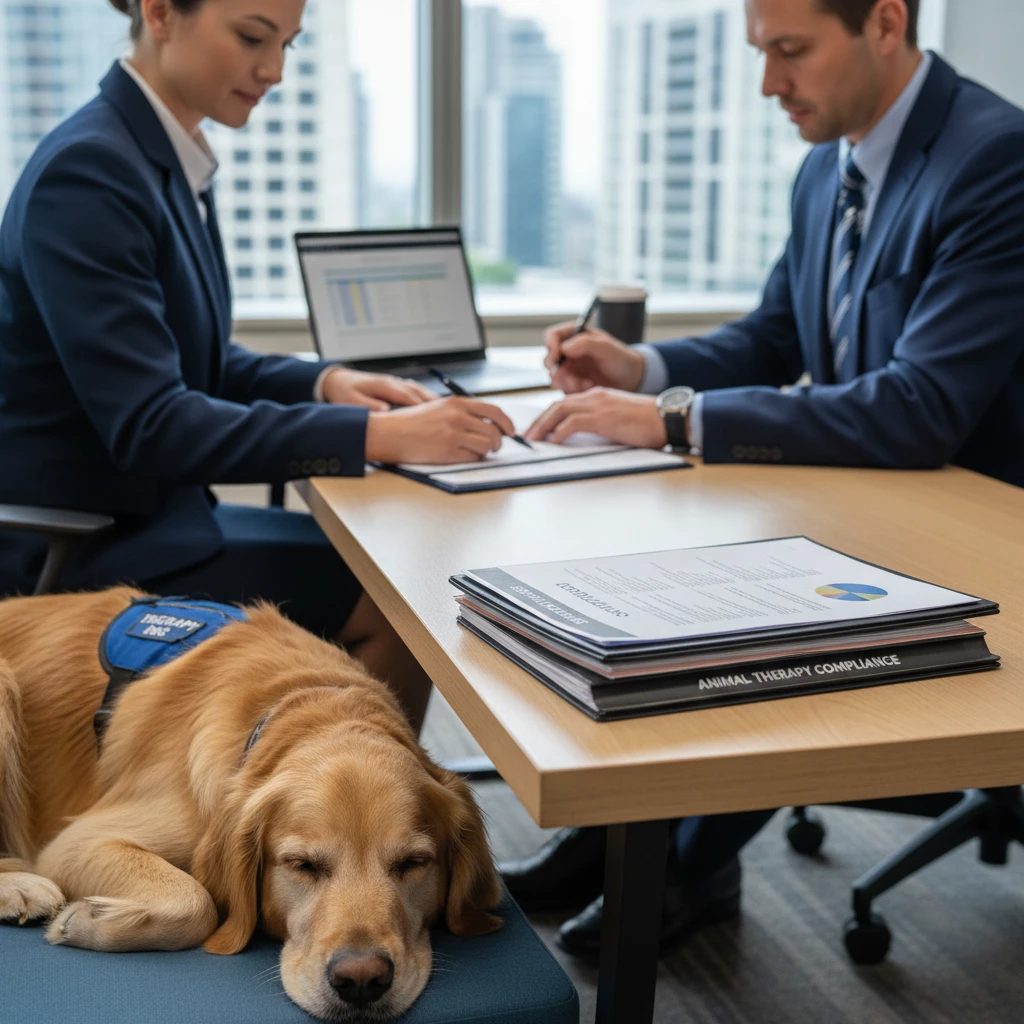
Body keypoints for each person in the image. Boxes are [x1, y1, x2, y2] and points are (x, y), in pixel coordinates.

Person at [505, 0, 1024, 955]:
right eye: (760, 53)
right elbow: (775, 337)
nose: (769, 85)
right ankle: (626, 838)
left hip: (979, 538)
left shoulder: (996, 158)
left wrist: (672, 420)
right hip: (871, 502)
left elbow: (918, 406)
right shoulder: (828, 162)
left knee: (741, 609)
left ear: (884, 22)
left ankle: (685, 861)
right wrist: (644, 369)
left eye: (791, 52)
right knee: (667, 570)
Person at [0, 0, 518, 734]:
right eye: (251, 37)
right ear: (159, 12)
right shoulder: (90, 174)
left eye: (288, 45)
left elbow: (194, 363)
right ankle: (355, 829)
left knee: (390, 567)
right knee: (400, 598)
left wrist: (324, 382)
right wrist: (379, 437)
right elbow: (154, 424)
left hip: (151, 519)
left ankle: (326, 804)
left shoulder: (154, 157)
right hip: (87, 547)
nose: (272, 70)